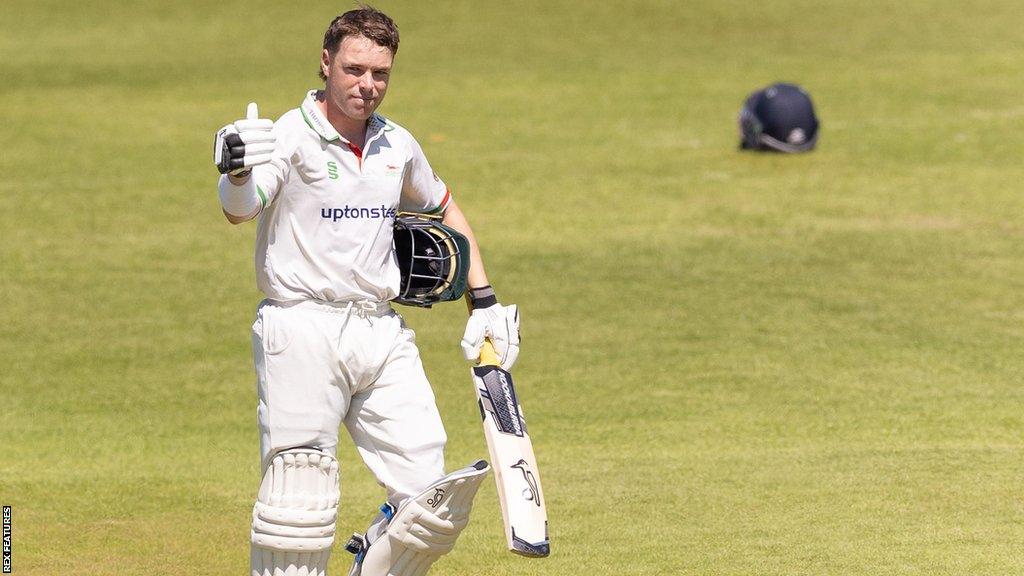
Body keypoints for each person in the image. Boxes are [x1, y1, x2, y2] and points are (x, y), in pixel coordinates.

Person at [211, 7, 520, 576]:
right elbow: (243, 208)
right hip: (301, 326)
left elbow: (443, 205)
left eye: (380, 73)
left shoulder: (396, 144)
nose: (367, 85)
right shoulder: (290, 134)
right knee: (296, 503)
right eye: (355, 69)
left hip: (379, 329)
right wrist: (233, 172)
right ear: (326, 62)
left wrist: (485, 300)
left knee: (433, 499)